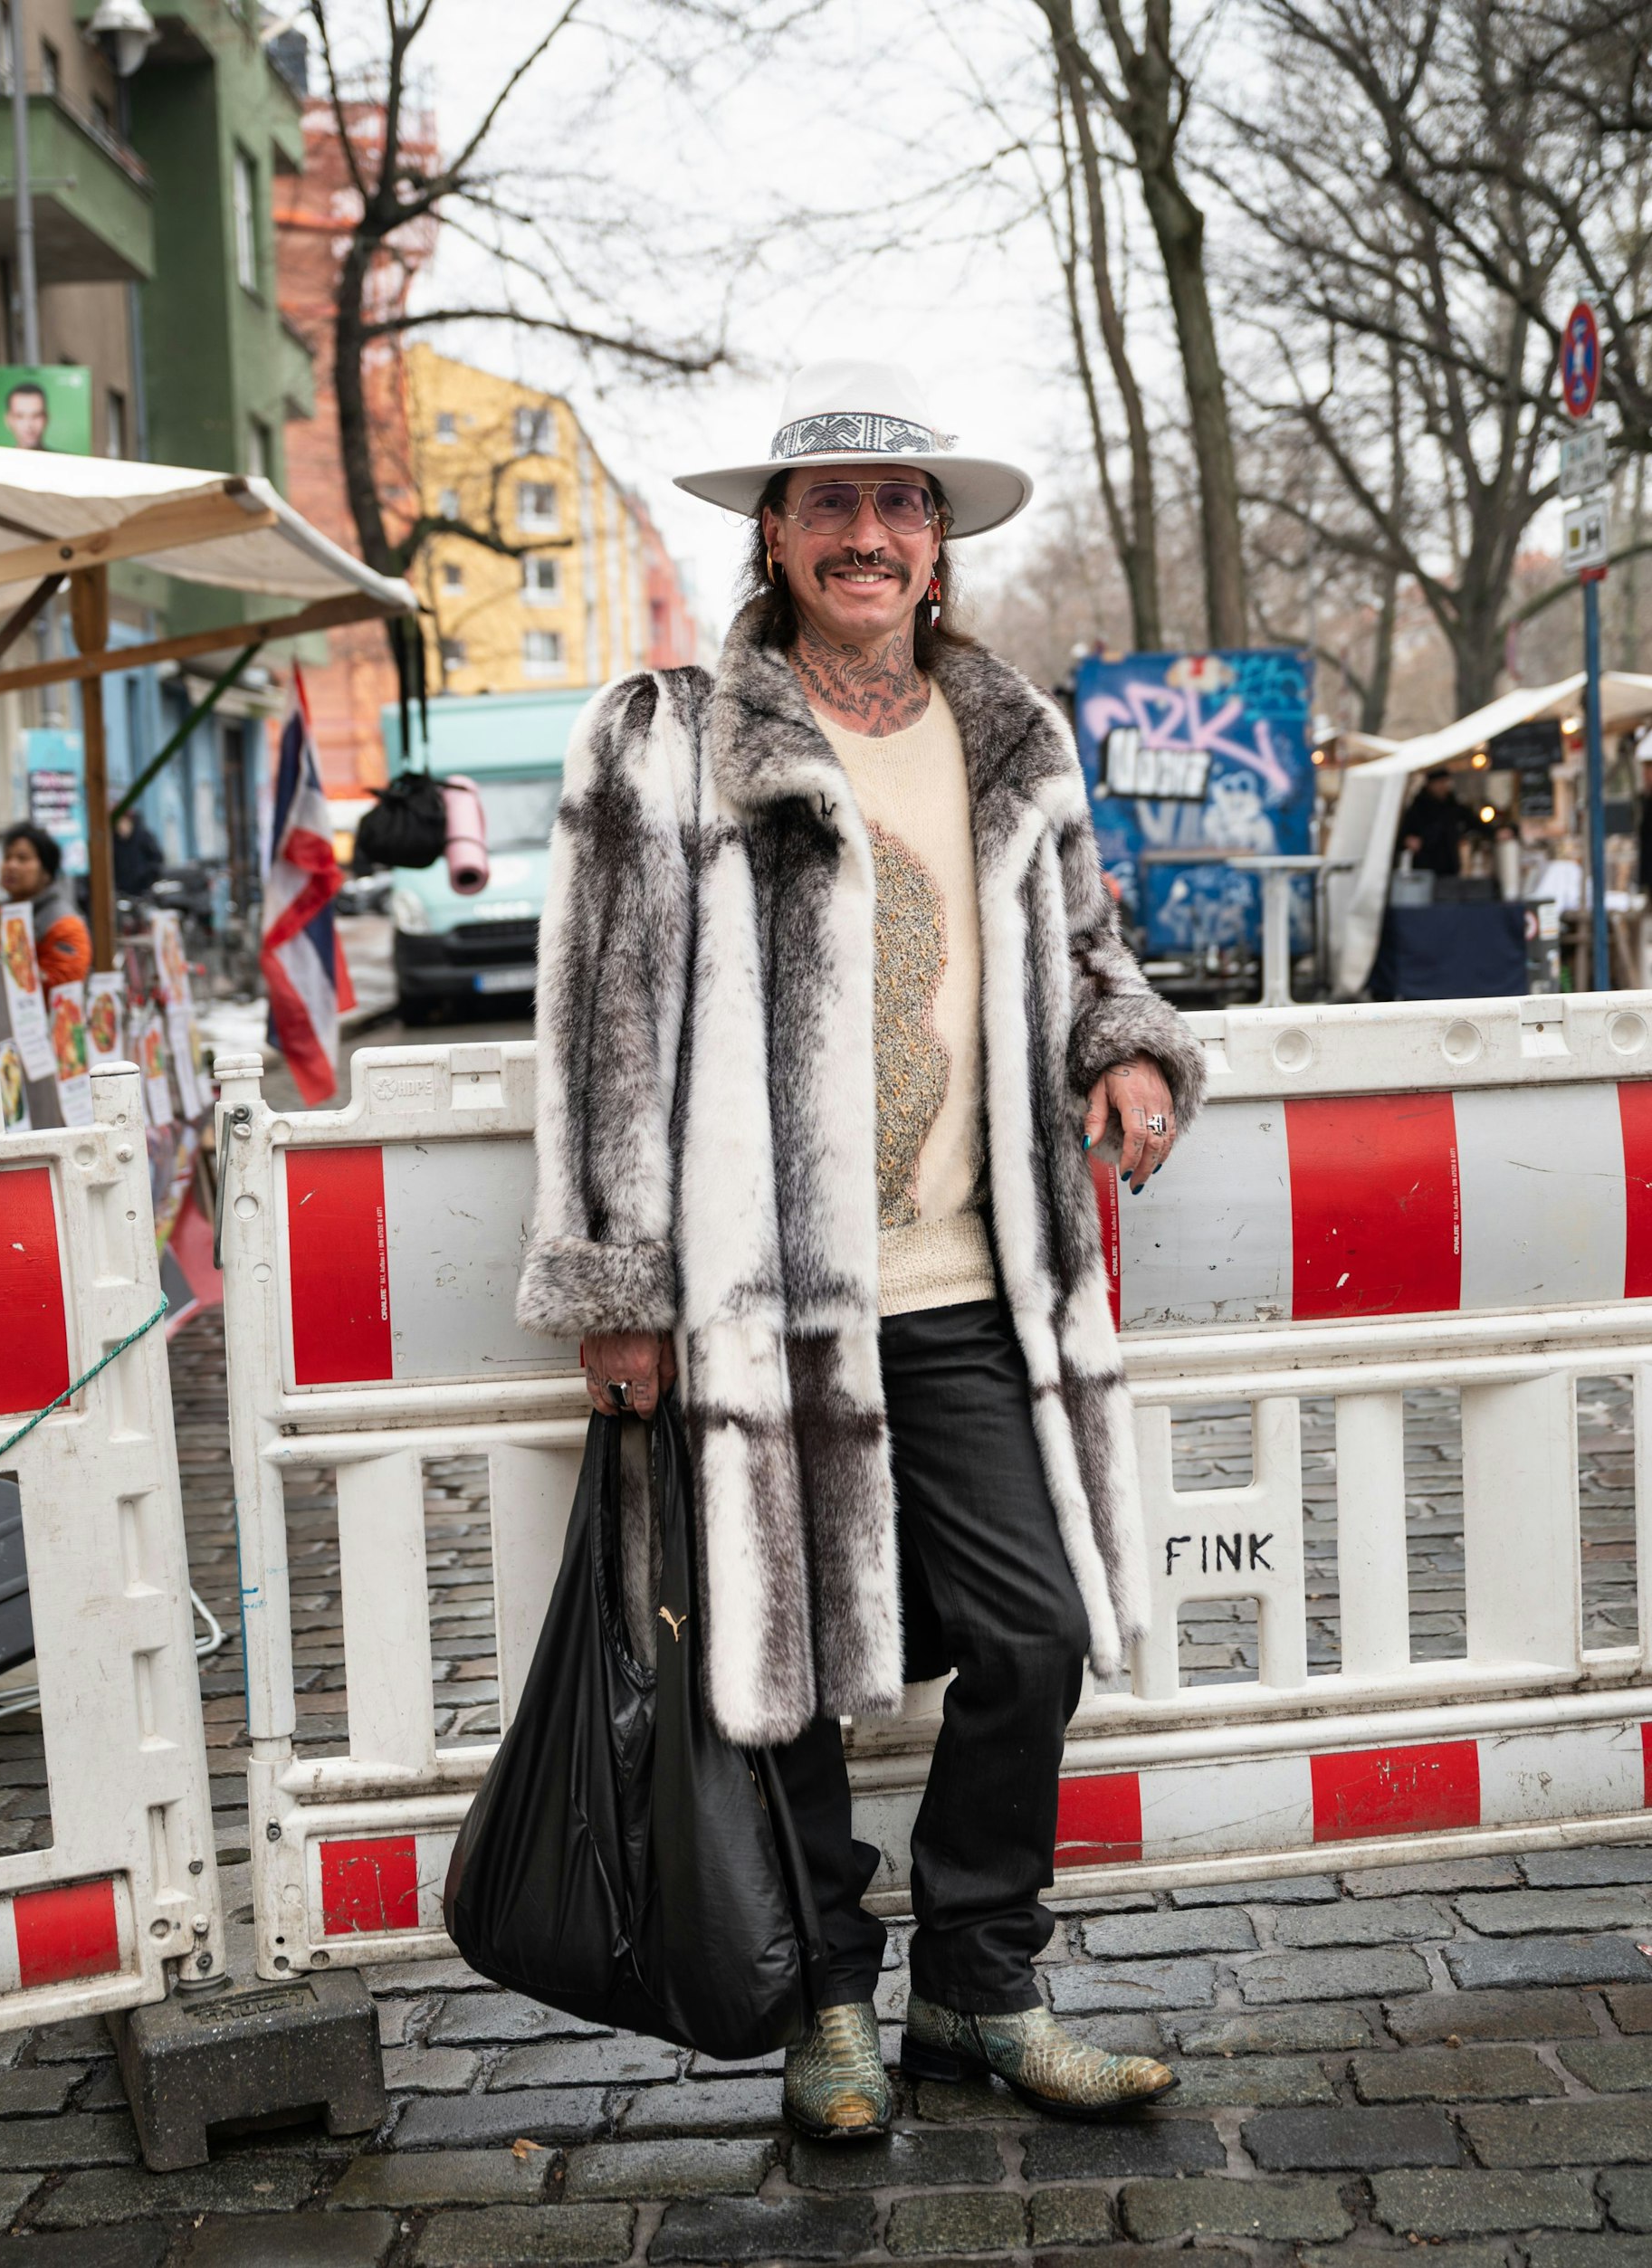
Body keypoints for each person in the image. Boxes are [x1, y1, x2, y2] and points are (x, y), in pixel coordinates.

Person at [517, 360, 1207, 2138]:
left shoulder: (1008, 733)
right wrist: (617, 1277)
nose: (868, 533)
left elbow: (1085, 943)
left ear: (938, 541)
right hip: (758, 1293)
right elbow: (602, 1019)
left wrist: (1121, 1037)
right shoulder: (664, 733)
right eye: (830, 503)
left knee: (1034, 1629)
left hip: (976, 1278)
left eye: (900, 504)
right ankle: (832, 1998)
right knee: (782, 1653)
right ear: (772, 532)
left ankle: (980, 1987)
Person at [0, 823, 92, 984]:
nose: (11, 865)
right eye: (7, 858)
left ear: (46, 872)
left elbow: (61, 983)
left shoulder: (65, 925)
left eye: (22, 858)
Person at [1400, 767, 1479, 877]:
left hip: (1450, 864)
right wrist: (1408, 840)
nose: (1443, 787)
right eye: (1439, 783)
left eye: (1445, 782)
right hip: (1425, 865)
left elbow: (1473, 822)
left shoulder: (1452, 805)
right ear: (1430, 784)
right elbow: (1404, 833)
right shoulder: (1419, 806)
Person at [112, 807, 165, 899]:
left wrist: (146, 877)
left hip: (144, 890)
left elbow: (157, 859)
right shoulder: (113, 842)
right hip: (122, 893)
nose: (121, 826)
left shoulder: (144, 837)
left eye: (123, 822)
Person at [3, 382, 50, 451]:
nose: (29, 425)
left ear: (46, 418)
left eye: (36, 416)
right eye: (20, 416)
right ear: (8, 420)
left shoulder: (66, 460)